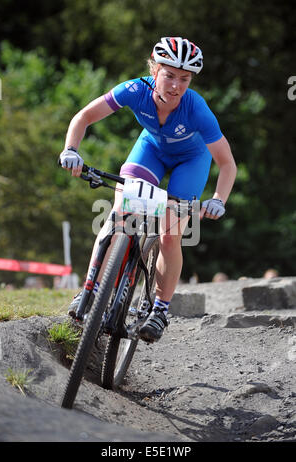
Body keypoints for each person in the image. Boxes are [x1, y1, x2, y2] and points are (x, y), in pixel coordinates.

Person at [59, 37, 237, 342]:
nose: (176, 85)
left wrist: (219, 199)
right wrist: (71, 149)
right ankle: (91, 290)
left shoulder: (197, 109)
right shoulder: (134, 90)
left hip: (191, 161)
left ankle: (159, 310)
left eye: (185, 79)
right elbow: (84, 117)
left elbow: (227, 164)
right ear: (154, 70)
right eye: (169, 75)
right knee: (118, 215)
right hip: (151, 149)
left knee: (170, 233)